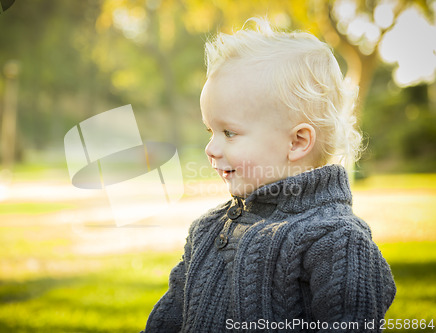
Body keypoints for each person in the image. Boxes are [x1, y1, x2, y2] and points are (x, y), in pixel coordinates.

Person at [143, 17, 396, 332]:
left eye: (229, 133)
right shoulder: (208, 231)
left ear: (297, 141)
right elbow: (167, 320)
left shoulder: (337, 240)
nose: (211, 148)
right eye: (211, 131)